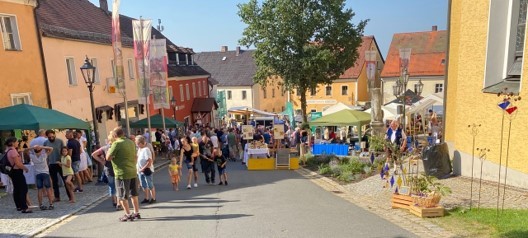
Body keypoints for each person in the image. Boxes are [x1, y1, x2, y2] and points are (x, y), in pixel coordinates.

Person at [106, 127, 140, 222]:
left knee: (122, 196)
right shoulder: (131, 142)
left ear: (115, 135)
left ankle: (128, 214)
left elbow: (108, 158)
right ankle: (136, 213)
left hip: (122, 173)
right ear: (123, 133)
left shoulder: (116, 143)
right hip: (132, 171)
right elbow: (135, 156)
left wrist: (109, 147)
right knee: (134, 194)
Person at [5, 137, 31, 213]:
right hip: (17, 171)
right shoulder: (13, 151)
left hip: (12, 172)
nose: (17, 143)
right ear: (12, 143)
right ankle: (24, 207)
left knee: (17, 189)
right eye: (16, 142)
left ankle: (19, 206)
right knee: (23, 189)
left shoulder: (8, 150)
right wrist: (25, 168)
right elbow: (18, 163)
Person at [92, 133, 118, 209]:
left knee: (111, 186)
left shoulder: (104, 148)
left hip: (108, 169)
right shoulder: (116, 147)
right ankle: (118, 201)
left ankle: (114, 201)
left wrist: (102, 161)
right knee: (118, 186)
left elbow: (94, 154)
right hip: (116, 169)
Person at [26, 145, 54, 210]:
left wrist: (33, 147)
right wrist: (42, 147)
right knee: (48, 189)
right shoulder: (44, 155)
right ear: (41, 150)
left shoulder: (32, 157)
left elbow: (26, 150)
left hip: (38, 174)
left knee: (39, 190)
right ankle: (51, 204)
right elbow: (51, 148)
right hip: (45, 173)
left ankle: (40, 204)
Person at [43, 130, 68, 202]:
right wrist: (47, 163)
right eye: (49, 137)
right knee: (54, 182)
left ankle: (70, 195)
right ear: (47, 136)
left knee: (65, 180)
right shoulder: (45, 143)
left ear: (54, 135)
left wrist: (64, 160)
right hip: (51, 164)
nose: (51, 138)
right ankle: (57, 197)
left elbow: (64, 151)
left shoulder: (60, 141)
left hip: (60, 163)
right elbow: (46, 154)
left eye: (52, 136)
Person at [135, 135, 156, 204]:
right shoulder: (139, 150)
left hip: (146, 170)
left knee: (150, 184)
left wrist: (143, 169)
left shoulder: (146, 150)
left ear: (140, 143)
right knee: (143, 185)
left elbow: (149, 161)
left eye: (137, 143)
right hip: (140, 171)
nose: (136, 144)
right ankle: (146, 198)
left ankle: (153, 198)